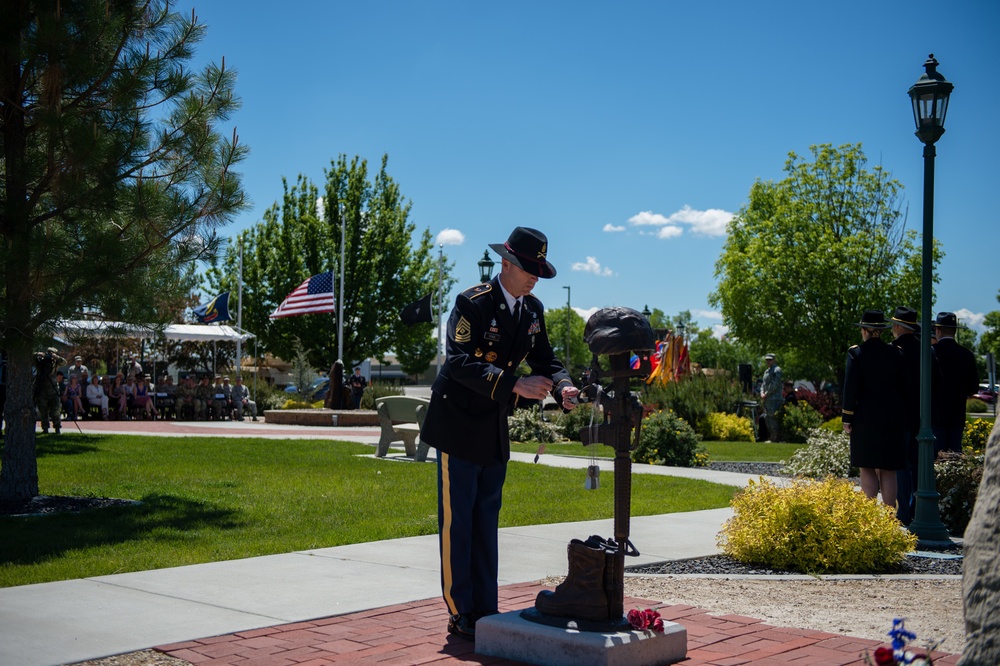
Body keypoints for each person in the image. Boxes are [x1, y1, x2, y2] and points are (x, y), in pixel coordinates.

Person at [420, 227, 579, 640]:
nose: (534, 277)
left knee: (486, 519)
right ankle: (460, 612)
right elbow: (457, 362)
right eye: (528, 269)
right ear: (506, 264)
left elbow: (548, 359)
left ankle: (485, 609)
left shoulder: (532, 310)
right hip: (457, 424)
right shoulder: (471, 302)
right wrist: (514, 384)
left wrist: (563, 386)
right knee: (459, 524)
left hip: (492, 426)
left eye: (539, 270)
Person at [842, 310, 906, 511]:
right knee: (888, 469)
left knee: (867, 467)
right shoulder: (896, 352)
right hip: (891, 417)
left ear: (864, 330)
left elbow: (850, 388)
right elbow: (904, 386)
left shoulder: (856, 353)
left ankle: (869, 518)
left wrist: (847, 417)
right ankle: (889, 518)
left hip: (865, 418)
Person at [931, 311, 980, 454]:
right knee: (954, 458)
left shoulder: (930, 353)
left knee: (934, 460)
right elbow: (973, 388)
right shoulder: (967, 354)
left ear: (938, 330)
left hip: (935, 415)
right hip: (957, 415)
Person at [34, 348, 65, 434]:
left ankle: (57, 427)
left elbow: (64, 362)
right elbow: (31, 359)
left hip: (53, 389)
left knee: (55, 411)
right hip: (42, 389)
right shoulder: (40, 361)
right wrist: (37, 354)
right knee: (43, 411)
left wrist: (56, 357)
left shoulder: (55, 362)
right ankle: (45, 428)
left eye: (52, 353)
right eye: (49, 353)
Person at [759, 353, 783, 442]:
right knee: (767, 418)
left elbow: (775, 384)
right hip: (767, 399)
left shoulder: (777, 370)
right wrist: (761, 392)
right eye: (767, 360)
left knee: (773, 418)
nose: (768, 361)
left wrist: (766, 393)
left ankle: (775, 438)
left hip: (774, 399)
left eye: (770, 360)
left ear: (774, 360)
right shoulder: (766, 371)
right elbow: (763, 384)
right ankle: (771, 437)